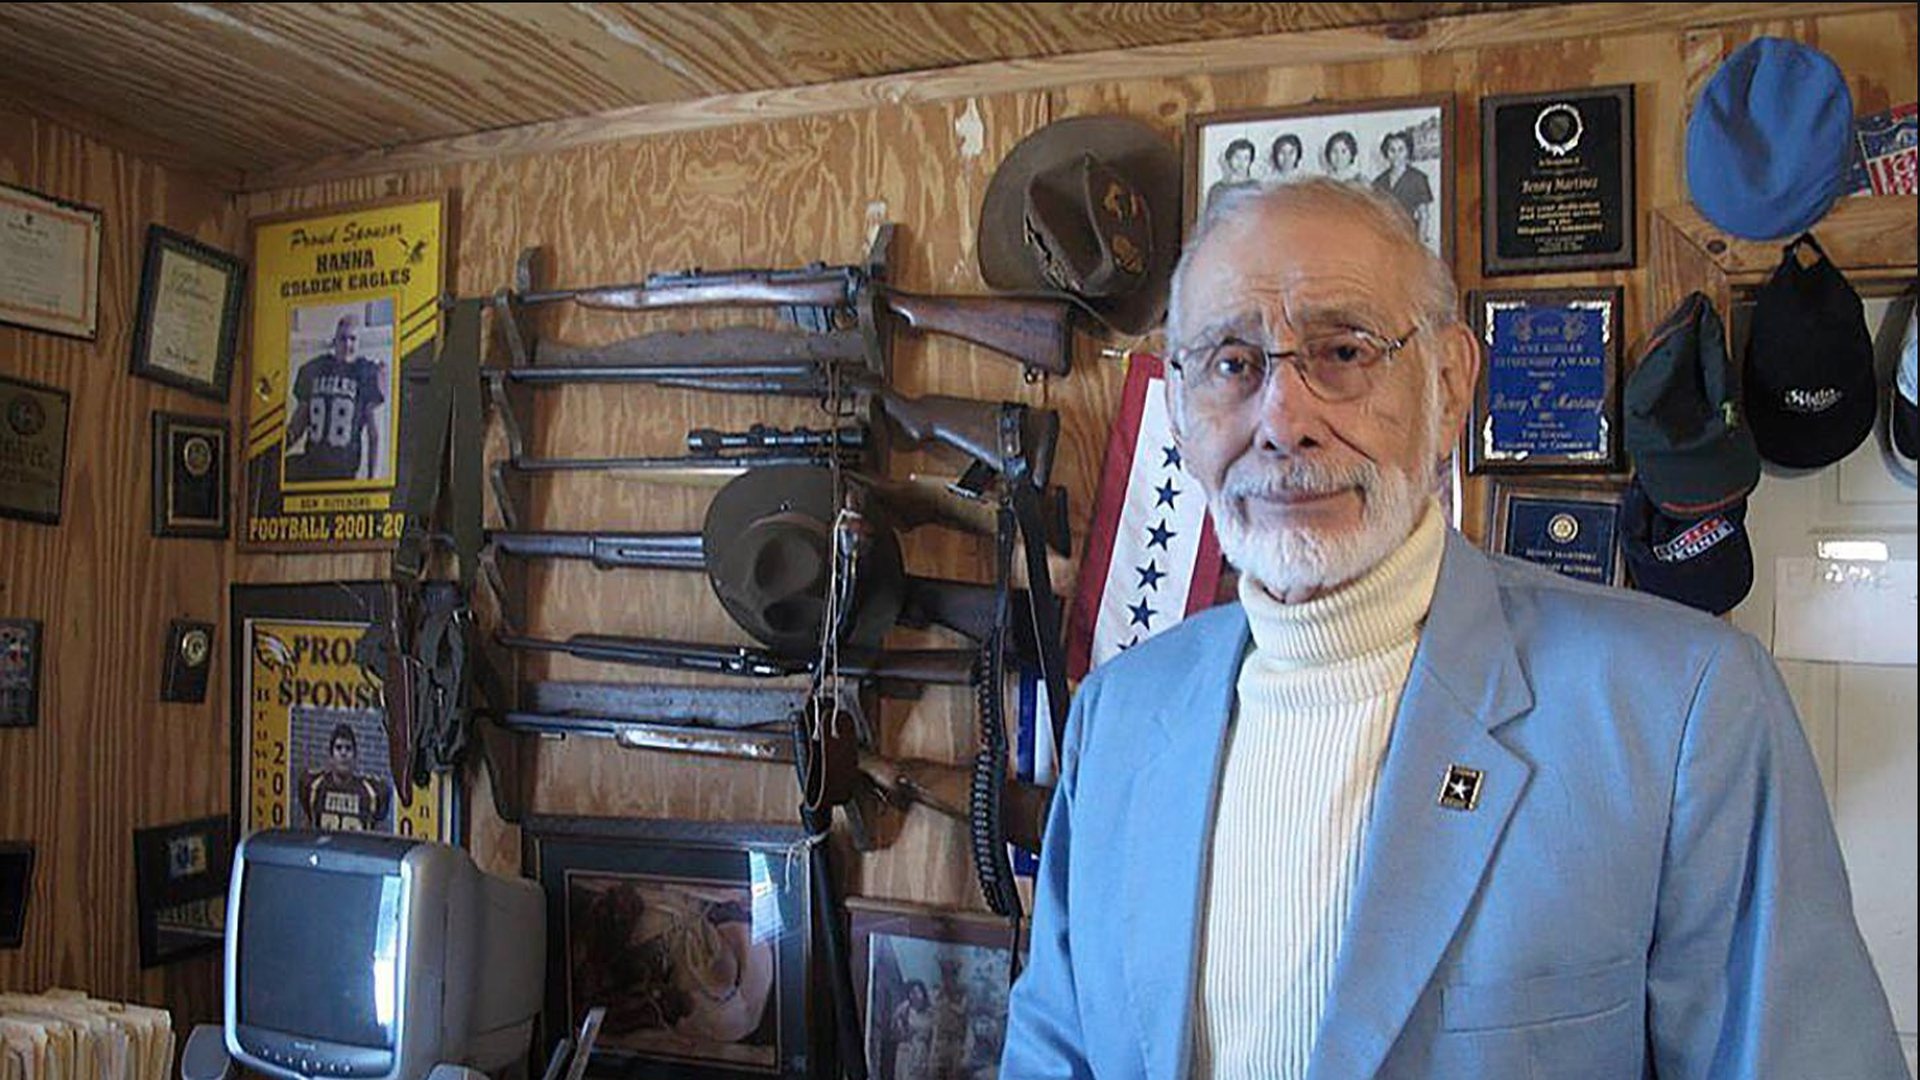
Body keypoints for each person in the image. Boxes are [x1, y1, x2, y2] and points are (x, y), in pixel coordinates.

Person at [999, 178, 1907, 1079]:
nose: (1282, 421)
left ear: (1448, 384)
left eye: (1344, 352)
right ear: (1181, 412)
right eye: (1232, 364)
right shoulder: (1118, 717)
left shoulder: (1684, 711)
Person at [286, 314, 385, 483]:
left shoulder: (365, 372)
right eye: (343, 338)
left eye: (352, 339)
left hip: (343, 470)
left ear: (359, 342)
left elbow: (374, 434)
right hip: (312, 465)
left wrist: (372, 478)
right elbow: (299, 422)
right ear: (335, 340)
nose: (347, 344)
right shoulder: (314, 369)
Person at [298, 722, 389, 832]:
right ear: (331, 756)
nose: (343, 753)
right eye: (338, 748)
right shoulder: (315, 786)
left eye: (348, 748)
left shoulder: (370, 792)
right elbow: (307, 827)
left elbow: (377, 833)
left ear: (355, 757)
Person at [1371, 130, 1433, 248]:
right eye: (1392, 150)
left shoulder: (1418, 178)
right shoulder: (1379, 181)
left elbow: (1423, 215)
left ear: (1408, 152)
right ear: (1386, 153)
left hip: (1410, 237)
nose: (1396, 155)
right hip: (1385, 238)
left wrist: (1420, 246)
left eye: (1401, 150)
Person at [889, 981, 935, 1080]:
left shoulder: (930, 1013)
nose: (914, 996)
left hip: (922, 1053)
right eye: (911, 993)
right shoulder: (905, 1009)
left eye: (917, 992)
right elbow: (894, 1028)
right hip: (906, 1052)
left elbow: (933, 1036)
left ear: (923, 993)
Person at [1204, 139, 1259, 211]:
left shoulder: (1256, 187)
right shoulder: (1216, 189)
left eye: (1246, 158)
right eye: (1237, 157)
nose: (1241, 162)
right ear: (1229, 158)